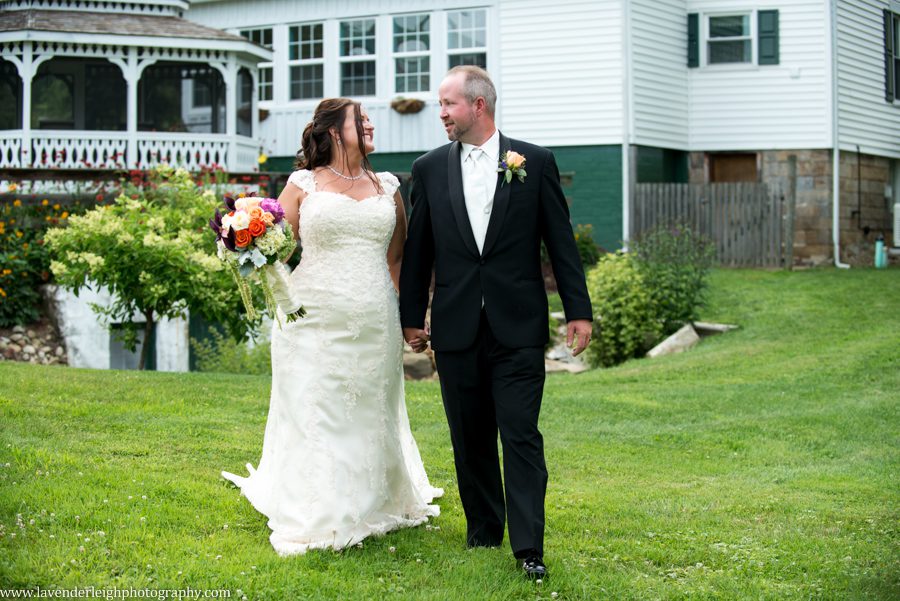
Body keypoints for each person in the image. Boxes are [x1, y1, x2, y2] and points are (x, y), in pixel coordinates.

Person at [222, 98, 443, 556]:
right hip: (312, 317)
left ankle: (375, 496)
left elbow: (397, 258)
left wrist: (410, 320)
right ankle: (319, 505)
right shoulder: (304, 182)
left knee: (369, 406)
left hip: (374, 316)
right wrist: (247, 239)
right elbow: (279, 247)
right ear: (334, 132)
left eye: (367, 119)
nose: (369, 124)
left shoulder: (387, 186)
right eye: (359, 120)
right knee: (317, 406)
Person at [399, 66, 593, 579]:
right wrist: (410, 318)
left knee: (521, 435)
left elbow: (561, 241)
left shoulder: (535, 162)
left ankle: (529, 548)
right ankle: (484, 531)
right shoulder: (428, 168)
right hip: (457, 324)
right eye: (440, 105)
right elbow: (419, 251)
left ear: (478, 106)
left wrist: (579, 311)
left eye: (448, 104)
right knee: (470, 435)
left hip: (519, 326)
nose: (440, 113)